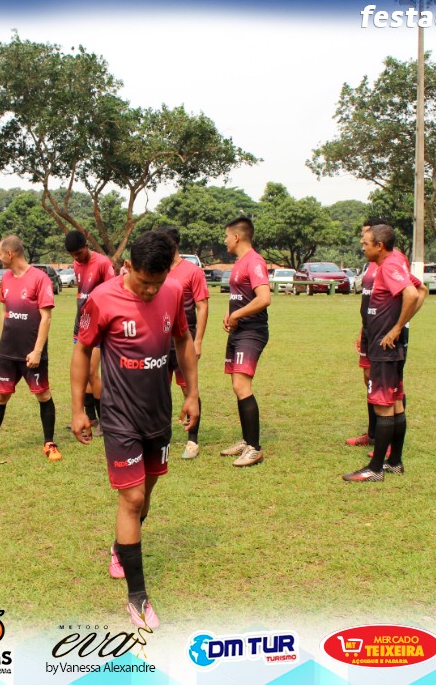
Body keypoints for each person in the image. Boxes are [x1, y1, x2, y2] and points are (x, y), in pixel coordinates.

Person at [72, 230, 199, 630]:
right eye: (144, 282)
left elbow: (183, 341)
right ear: (127, 266)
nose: (150, 291)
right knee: (133, 497)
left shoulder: (173, 292)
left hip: (158, 414)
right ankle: (138, 597)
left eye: (157, 283)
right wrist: (78, 409)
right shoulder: (102, 298)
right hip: (119, 415)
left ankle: (119, 547)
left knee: (146, 495)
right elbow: (82, 349)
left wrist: (192, 393)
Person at [343, 224, 422, 482]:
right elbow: (421, 289)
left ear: (379, 246)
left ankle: (375, 469)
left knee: (384, 406)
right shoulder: (394, 262)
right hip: (389, 347)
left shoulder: (388, 266)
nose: (362, 247)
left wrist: (397, 327)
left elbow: (412, 293)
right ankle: (395, 462)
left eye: (366, 243)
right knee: (396, 403)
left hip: (384, 348)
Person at [0, 235, 61, 462]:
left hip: (31, 352)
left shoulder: (40, 278)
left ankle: (49, 444)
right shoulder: (5, 279)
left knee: (42, 394)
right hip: (7, 352)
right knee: (1, 395)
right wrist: (1, 345)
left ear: (10, 254)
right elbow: (5, 313)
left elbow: (46, 317)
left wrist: (37, 351)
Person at [219, 215, 271, 467]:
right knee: (237, 386)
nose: (225, 240)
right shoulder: (240, 262)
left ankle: (254, 448)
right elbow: (242, 296)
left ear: (237, 237)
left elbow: (264, 298)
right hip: (238, 331)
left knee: (242, 386)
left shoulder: (254, 261)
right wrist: (230, 313)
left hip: (252, 331)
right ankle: (246, 440)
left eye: (227, 236)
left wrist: (237, 315)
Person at [155, 226, 209, 459]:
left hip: (183, 339)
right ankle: (160, 436)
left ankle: (192, 441)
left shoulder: (192, 271)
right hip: (158, 339)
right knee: (158, 390)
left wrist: (198, 341)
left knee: (188, 388)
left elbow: (202, 306)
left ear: (173, 245)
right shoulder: (156, 269)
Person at [66, 230, 115, 435]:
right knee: (83, 372)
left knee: (92, 371)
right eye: (73, 255)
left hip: (98, 323)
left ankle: (105, 421)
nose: (77, 258)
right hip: (81, 321)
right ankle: (90, 417)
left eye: (79, 253)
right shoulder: (77, 264)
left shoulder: (103, 263)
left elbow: (114, 290)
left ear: (87, 246)